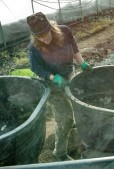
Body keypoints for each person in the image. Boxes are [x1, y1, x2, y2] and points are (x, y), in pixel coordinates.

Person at [27, 12, 93, 161]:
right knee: (64, 118)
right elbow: (36, 68)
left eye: (45, 33)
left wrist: (81, 62)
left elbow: (74, 46)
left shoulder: (65, 31)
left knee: (73, 104)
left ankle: (72, 126)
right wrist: (53, 77)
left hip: (68, 73)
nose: (43, 38)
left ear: (51, 27)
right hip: (51, 84)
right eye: (39, 36)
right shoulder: (34, 47)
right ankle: (60, 153)